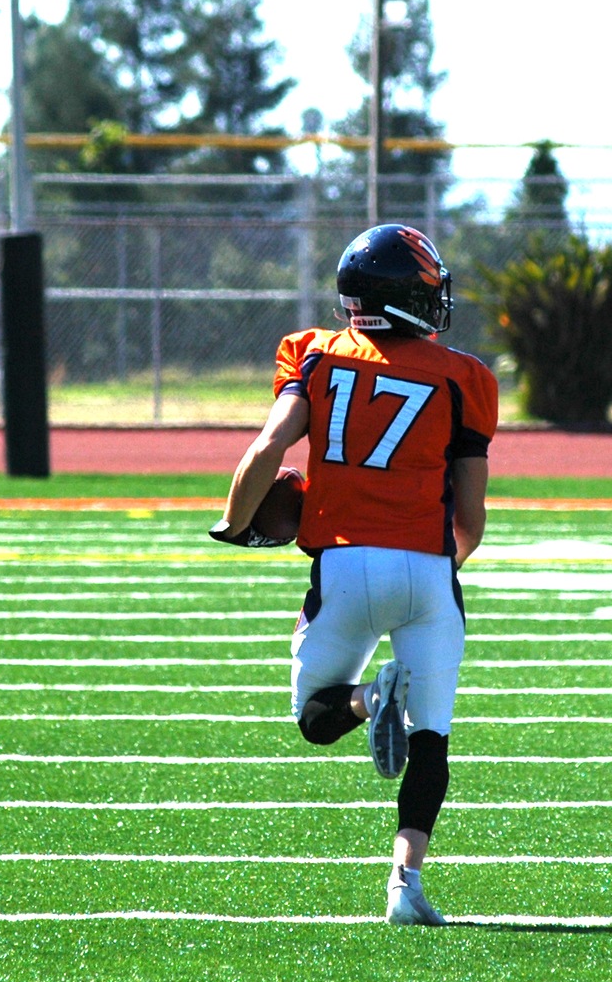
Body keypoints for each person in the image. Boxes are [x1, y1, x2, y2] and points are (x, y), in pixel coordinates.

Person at [209, 224, 498, 926]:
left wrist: (234, 522)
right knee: (431, 739)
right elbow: (471, 514)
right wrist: (443, 566)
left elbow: (268, 446)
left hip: (340, 565)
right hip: (427, 570)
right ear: (404, 298)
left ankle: (370, 700)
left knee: (315, 717)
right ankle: (406, 883)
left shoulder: (313, 354)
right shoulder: (465, 377)